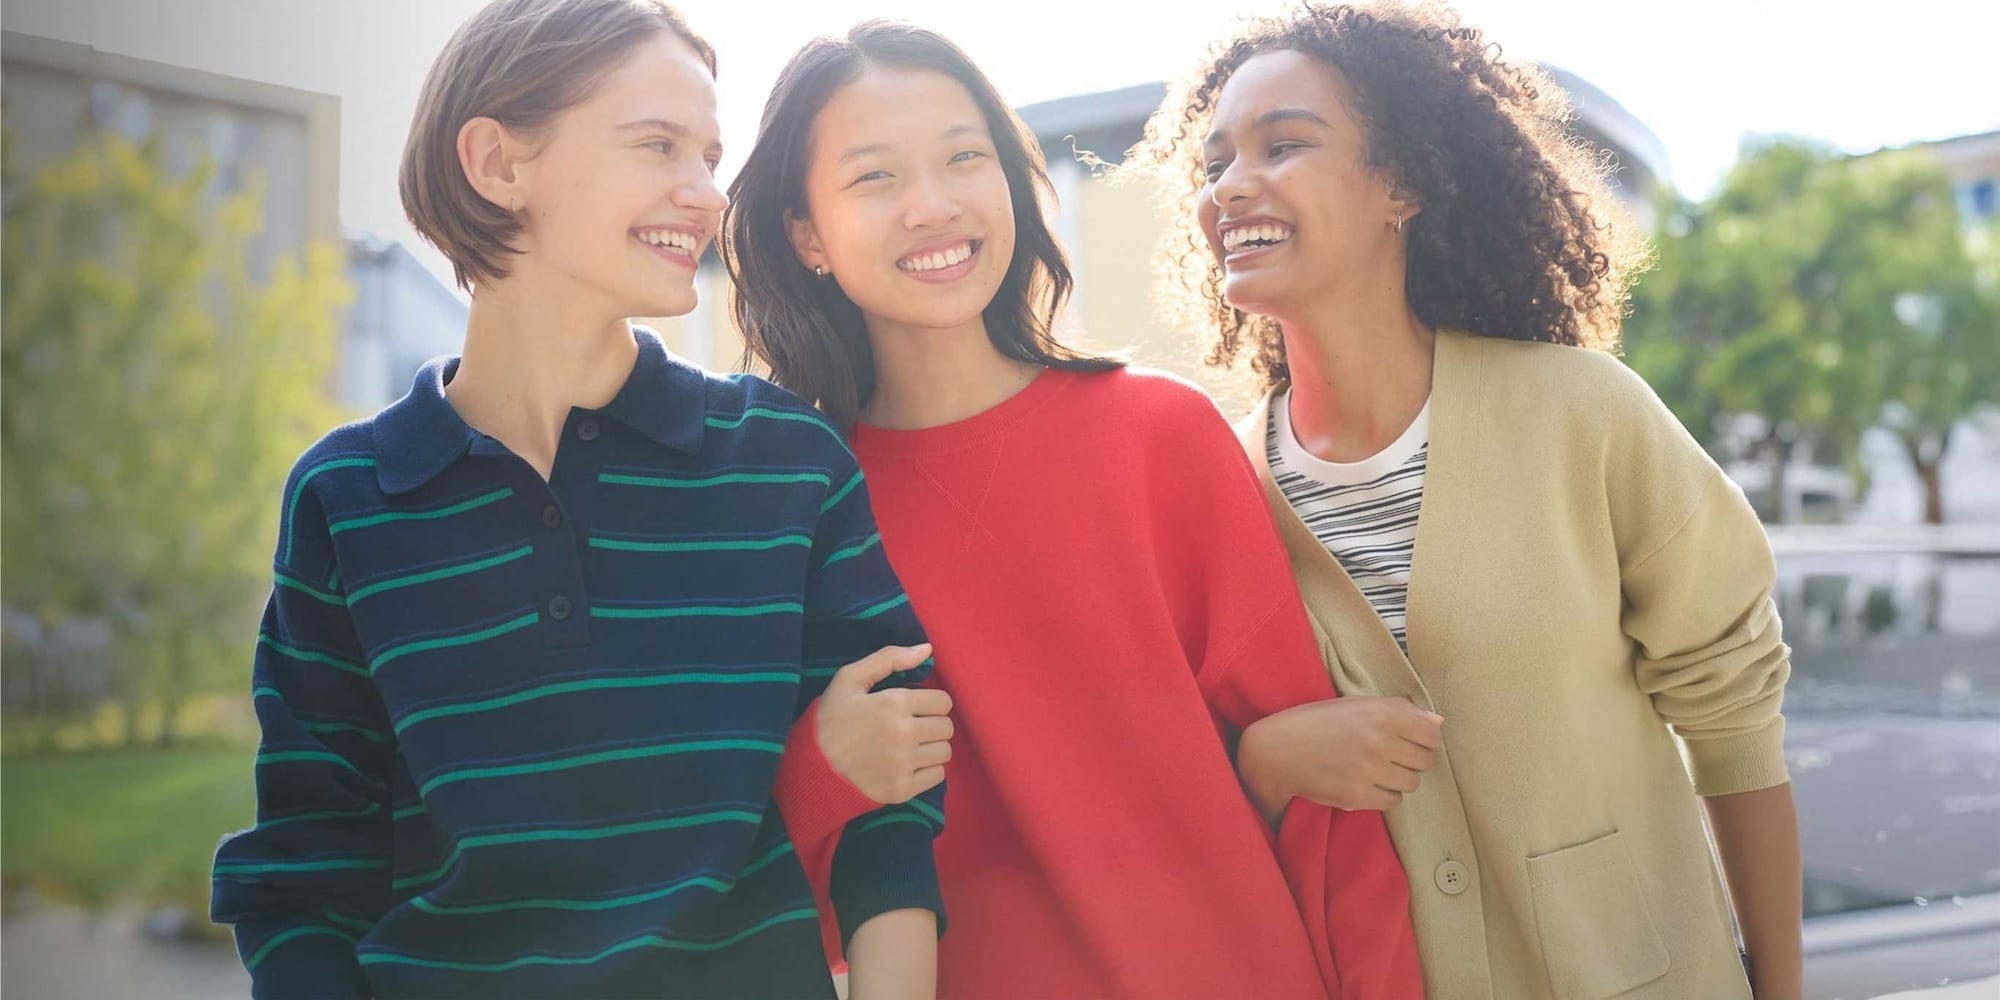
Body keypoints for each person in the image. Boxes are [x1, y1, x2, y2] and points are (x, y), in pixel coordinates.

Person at [209, 2, 942, 995]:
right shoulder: (347, 500)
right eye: (658, 146)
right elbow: (306, 873)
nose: (704, 194)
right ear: (498, 163)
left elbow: (890, 820)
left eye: (710, 156)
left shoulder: (785, 464)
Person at [725, 20, 1422, 999]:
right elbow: (743, 895)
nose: (932, 205)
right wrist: (821, 771)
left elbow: (1329, 806)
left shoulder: (1158, 436)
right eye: (873, 177)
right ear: (804, 233)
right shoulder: (792, 514)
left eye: (964, 158)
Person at [1134, 2, 1803, 997]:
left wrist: (1779, 988)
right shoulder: (1215, 490)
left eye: (1283, 145)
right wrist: (1262, 761)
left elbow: (1733, 727)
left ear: (1399, 183)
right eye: (1214, 162)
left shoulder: (1581, 414)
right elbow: (1174, 789)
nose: (1232, 186)